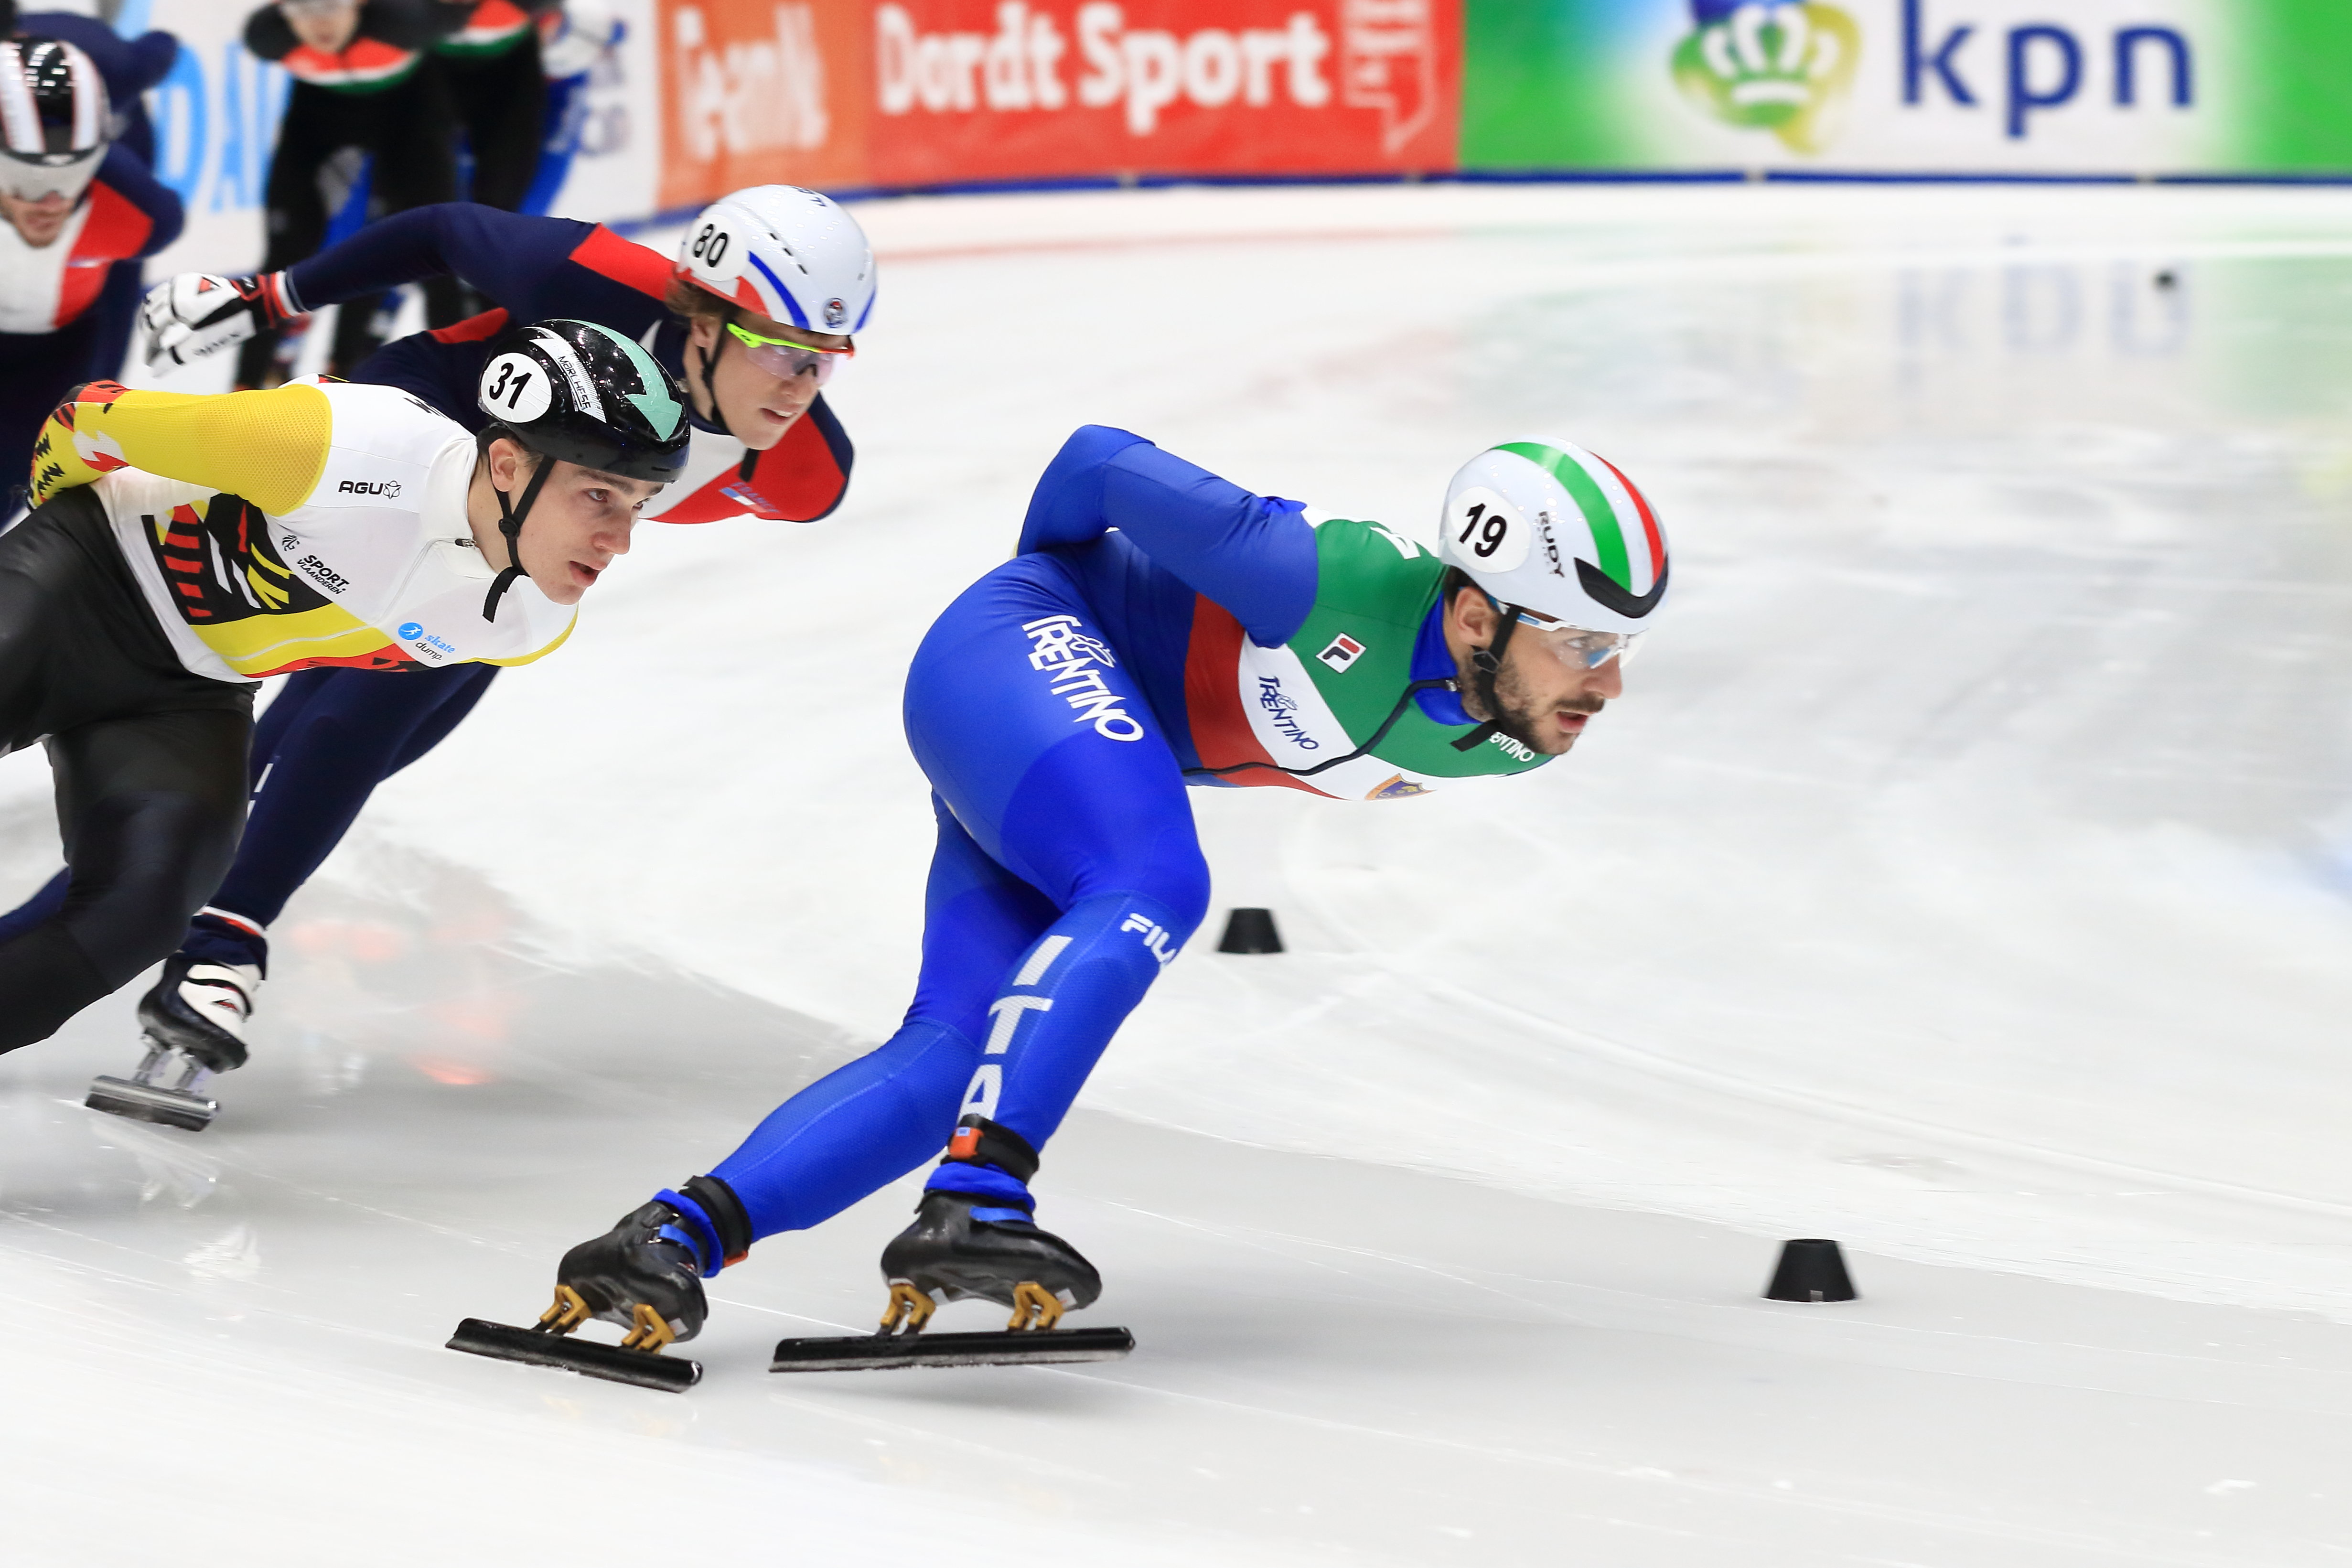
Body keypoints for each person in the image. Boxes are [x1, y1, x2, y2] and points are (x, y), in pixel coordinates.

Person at [521, 427, 1671, 1355]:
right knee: (1153, 879)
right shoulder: (1319, 576)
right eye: (1581, 641)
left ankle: (669, 1237)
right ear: (1475, 615)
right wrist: (1040, 605)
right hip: (1023, 652)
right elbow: (1092, 460)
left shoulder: (1518, 732)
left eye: (1623, 644)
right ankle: (976, 1196)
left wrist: (1092, 750)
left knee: (951, 1056)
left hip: (1066, 742)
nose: (1607, 682)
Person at [37, 186, 868, 1103]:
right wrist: (273, 296)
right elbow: (442, 229)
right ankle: (222, 941)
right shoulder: (601, 282)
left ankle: (143, 923)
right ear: (704, 317)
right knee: (347, 716)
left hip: (512, 537)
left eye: (824, 361)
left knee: (348, 730)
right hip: (388, 454)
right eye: (782, 350)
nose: (799, 385)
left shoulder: (804, 473)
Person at [0, 319, 690, 1071]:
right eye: (599, 495)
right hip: (84, 575)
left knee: (145, 910)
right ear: (507, 464)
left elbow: (346, 724)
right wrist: (35, 558)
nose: (619, 539)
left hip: (190, 693)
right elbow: (87, 417)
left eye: (640, 503)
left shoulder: (529, 618)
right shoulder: (336, 445)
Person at [236, 0, 464, 387]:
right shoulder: (267, 35)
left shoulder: (404, 20)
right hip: (319, 129)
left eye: (331, 6)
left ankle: (459, 386)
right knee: (284, 258)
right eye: (303, 10)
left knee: (433, 255)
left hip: (410, 126)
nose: (320, 23)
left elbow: (459, 15)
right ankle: (243, 388)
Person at [0, 36, 181, 514]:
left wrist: (100, 387)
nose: (52, 202)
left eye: (73, 174)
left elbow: (121, 299)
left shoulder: (139, 213)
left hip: (56, 348)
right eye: (28, 179)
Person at [9, 9, 180, 386]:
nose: (50, 189)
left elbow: (161, 48)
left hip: (120, 139)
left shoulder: (118, 69)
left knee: (118, 265)